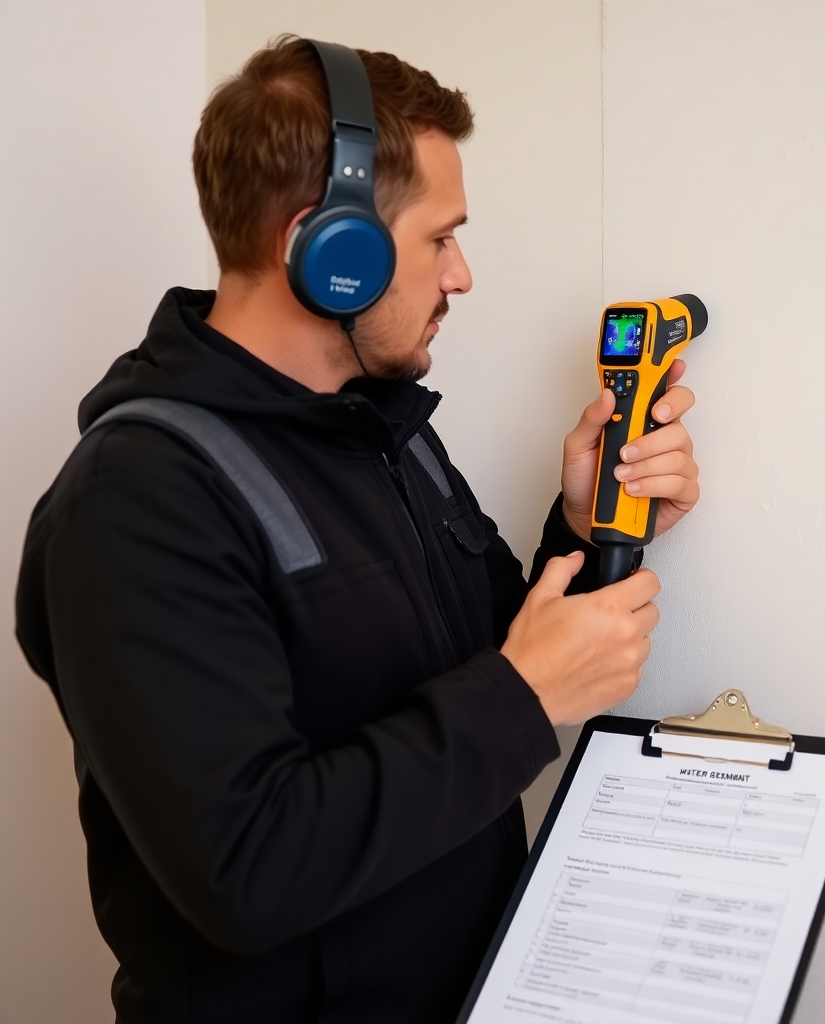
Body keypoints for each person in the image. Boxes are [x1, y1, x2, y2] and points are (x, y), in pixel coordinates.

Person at [15, 36, 698, 1023]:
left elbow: (493, 656)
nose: (461, 274)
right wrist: (523, 693)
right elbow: (246, 870)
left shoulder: (384, 432)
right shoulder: (136, 503)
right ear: (333, 248)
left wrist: (588, 529)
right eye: (438, 237)